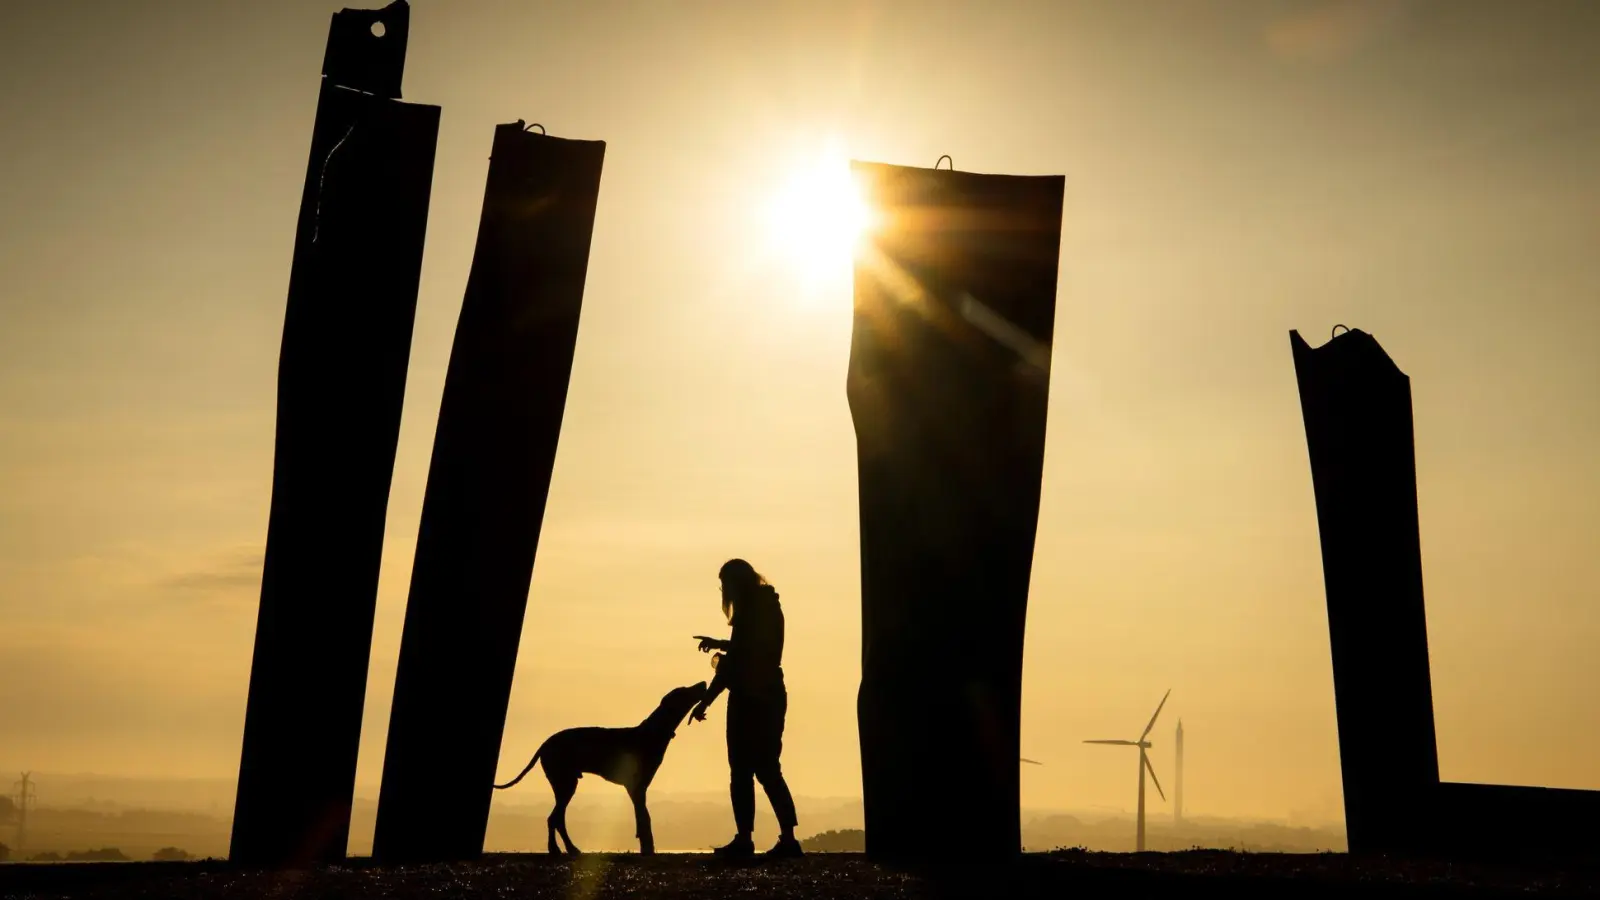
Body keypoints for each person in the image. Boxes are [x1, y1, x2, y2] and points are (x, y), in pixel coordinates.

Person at [690, 558, 802, 858]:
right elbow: (752, 648)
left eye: (724, 585)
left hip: (748, 697)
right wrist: (721, 643)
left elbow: (736, 663)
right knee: (768, 768)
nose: (723, 591)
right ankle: (788, 839)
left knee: (741, 770)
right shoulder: (768, 606)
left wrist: (705, 701)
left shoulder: (749, 610)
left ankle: (744, 839)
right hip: (771, 693)